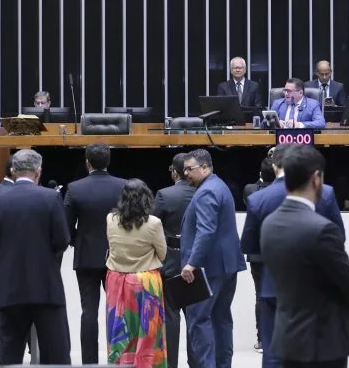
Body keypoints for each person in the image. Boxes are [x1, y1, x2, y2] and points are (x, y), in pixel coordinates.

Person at [260, 145, 349, 368]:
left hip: (287, 338)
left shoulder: (269, 224)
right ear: (316, 178)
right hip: (322, 341)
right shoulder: (322, 229)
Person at [241, 143, 345, 368]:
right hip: (316, 286)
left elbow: (249, 245)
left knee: (272, 351)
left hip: (273, 285)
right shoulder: (325, 193)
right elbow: (339, 238)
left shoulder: (259, 198)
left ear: (275, 165)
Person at [0, 149, 71, 365]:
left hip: (11, 287)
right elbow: (62, 240)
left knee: (10, 354)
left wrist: (6, 257)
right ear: (38, 172)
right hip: (47, 288)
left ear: (12, 171)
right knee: (56, 354)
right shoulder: (51, 198)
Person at [180, 149, 247, 368]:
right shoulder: (219, 186)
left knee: (199, 320)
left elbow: (206, 231)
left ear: (205, 167)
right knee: (221, 320)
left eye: (190, 169)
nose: (186, 173)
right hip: (226, 266)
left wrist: (192, 262)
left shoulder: (207, 192)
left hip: (208, 268)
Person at [64, 143, 126, 364]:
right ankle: (118, 358)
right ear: (108, 161)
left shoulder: (75, 188)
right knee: (118, 310)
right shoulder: (124, 186)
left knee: (88, 311)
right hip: (118, 257)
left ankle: (89, 362)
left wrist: (78, 240)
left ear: (87, 162)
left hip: (86, 257)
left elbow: (66, 227)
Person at [106, 179, 167, 368]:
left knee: (119, 329)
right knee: (148, 332)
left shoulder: (110, 219)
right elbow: (162, 253)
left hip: (116, 280)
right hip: (145, 281)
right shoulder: (154, 223)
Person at [151, 153, 197, 368]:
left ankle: (171, 364)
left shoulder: (164, 194)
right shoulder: (200, 192)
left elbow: (151, 224)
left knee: (170, 316)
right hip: (196, 260)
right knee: (195, 317)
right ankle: (196, 362)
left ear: (174, 172)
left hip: (170, 260)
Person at [241, 156, 275, 354]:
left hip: (258, 254)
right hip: (280, 253)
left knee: (261, 296)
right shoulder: (287, 190)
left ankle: (262, 339)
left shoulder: (252, 190)